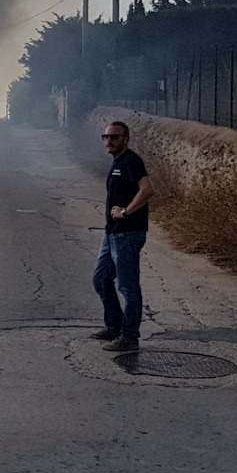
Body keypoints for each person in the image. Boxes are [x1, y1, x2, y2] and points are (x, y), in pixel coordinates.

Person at [93, 121, 153, 352]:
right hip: (112, 235)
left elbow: (148, 189)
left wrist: (126, 212)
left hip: (128, 234)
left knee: (128, 287)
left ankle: (129, 338)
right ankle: (114, 327)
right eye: (105, 137)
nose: (109, 141)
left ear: (126, 139)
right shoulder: (117, 162)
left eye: (114, 137)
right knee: (100, 280)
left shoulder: (131, 161)